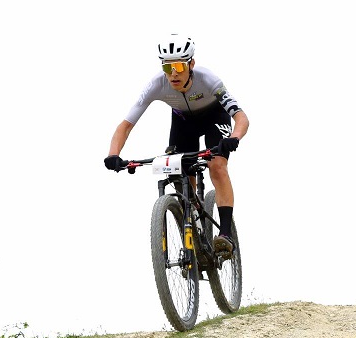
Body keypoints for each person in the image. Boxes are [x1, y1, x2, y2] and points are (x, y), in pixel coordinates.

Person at [104, 34, 249, 255]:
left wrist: (234, 138)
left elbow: (241, 117)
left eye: (179, 66)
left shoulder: (209, 80)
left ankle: (225, 234)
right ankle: (194, 221)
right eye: (167, 67)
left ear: (191, 64)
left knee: (217, 166)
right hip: (184, 123)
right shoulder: (156, 85)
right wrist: (113, 154)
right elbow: (125, 126)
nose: (173, 74)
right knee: (178, 169)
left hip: (214, 117)